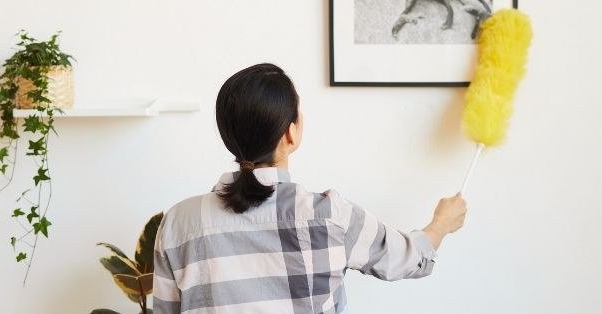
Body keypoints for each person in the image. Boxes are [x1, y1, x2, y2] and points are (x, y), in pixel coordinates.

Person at [153, 63, 467, 313]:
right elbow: (408, 260)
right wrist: (442, 224)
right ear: (291, 133)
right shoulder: (331, 217)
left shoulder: (179, 222)